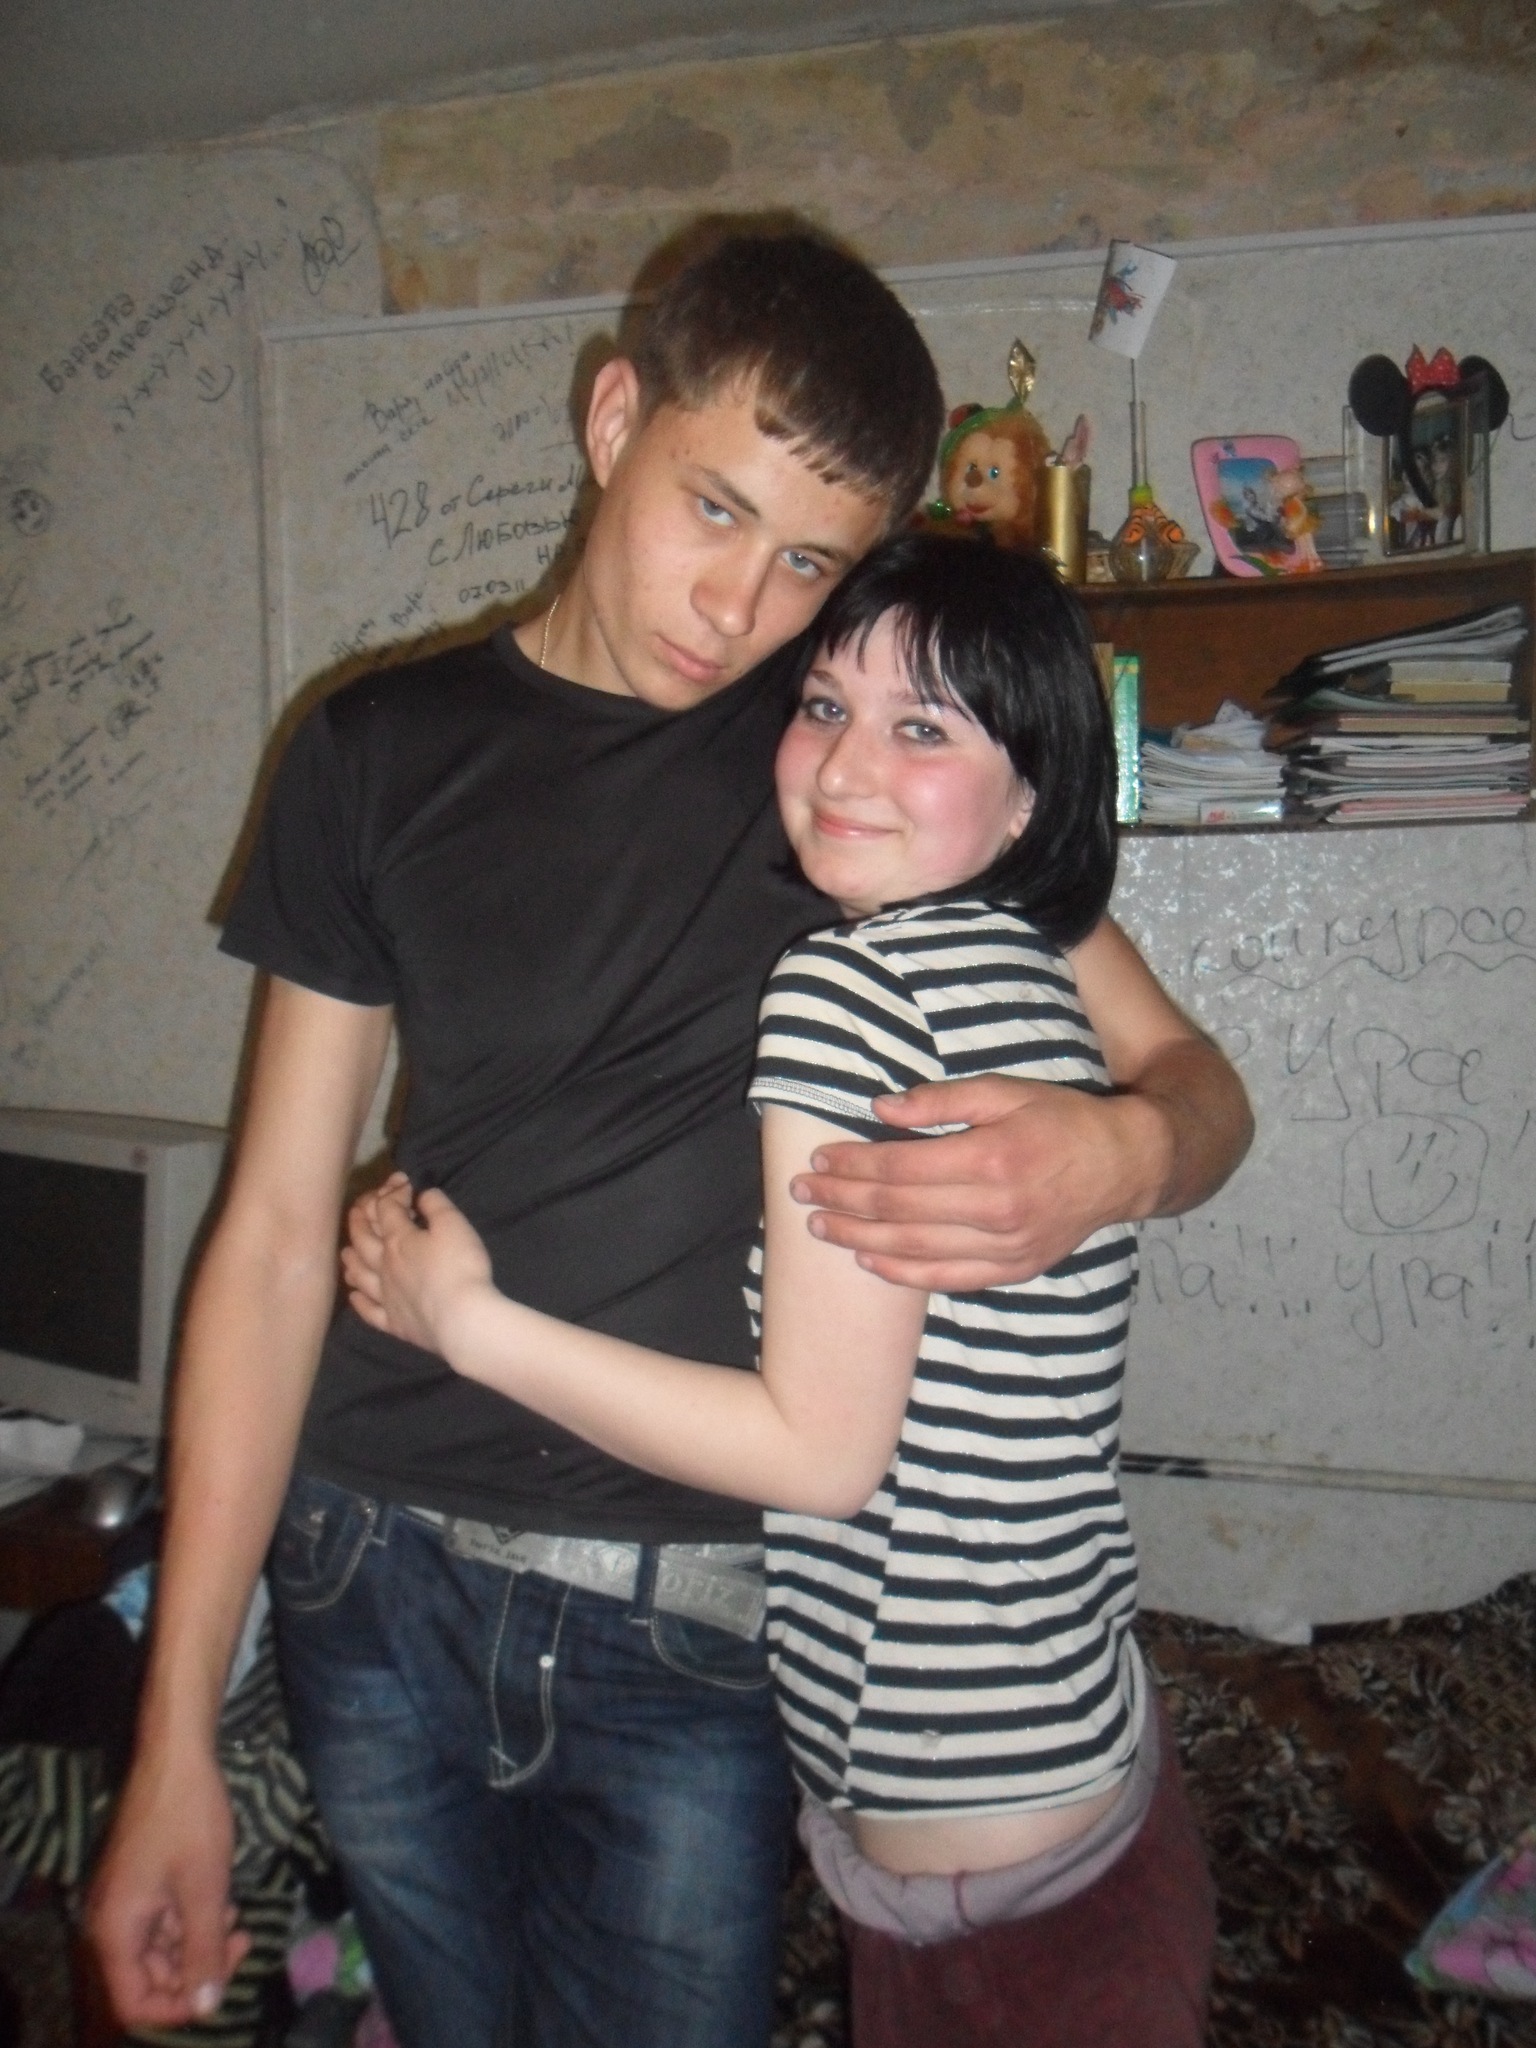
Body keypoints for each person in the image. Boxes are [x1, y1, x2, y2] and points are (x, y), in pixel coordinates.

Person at [87, 226, 1251, 2048]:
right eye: (714, 509)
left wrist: (1124, 1157)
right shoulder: (372, 751)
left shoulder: (849, 765)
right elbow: (273, 1237)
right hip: (367, 1569)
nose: (738, 608)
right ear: (615, 418)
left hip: (690, 1614)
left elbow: (1192, 1077)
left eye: (808, 564)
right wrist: (174, 1741)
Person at [344, 533, 1216, 2047]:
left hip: (989, 1868)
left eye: (923, 728)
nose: (846, 766)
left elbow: (818, 1454)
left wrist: (464, 1323)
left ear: (1031, 793)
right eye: (824, 707)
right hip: (1071, 1779)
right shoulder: (1022, 962)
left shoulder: (848, 988)